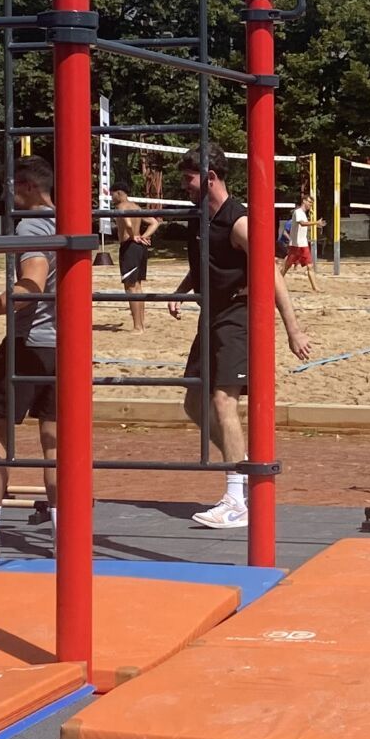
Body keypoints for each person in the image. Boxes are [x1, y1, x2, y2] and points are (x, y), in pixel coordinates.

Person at [164, 143, 313, 527]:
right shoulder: (200, 218)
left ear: (210, 178)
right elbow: (206, 261)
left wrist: (292, 329)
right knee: (194, 405)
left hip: (239, 313)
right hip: (210, 313)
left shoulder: (239, 222)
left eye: (189, 178)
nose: (185, 185)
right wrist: (183, 290)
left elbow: (271, 273)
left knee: (221, 400)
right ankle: (240, 469)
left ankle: (235, 497)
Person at [0, 155, 58, 560]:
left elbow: (32, 285)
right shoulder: (69, 221)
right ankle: (63, 530)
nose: (9, 194)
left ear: (29, 187)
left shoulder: (33, 225)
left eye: (14, 187)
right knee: (55, 441)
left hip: (28, 343)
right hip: (64, 347)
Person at [115, 174, 160, 329]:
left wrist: (134, 235)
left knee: (131, 287)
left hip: (129, 247)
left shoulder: (122, 207)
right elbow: (154, 223)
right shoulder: (136, 207)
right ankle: (140, 324)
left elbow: (127, 222)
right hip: (139, 247)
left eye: (113, 194)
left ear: (119, 193)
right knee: (138, 286)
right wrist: (143, 236)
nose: (112, 197)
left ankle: (137, 326)